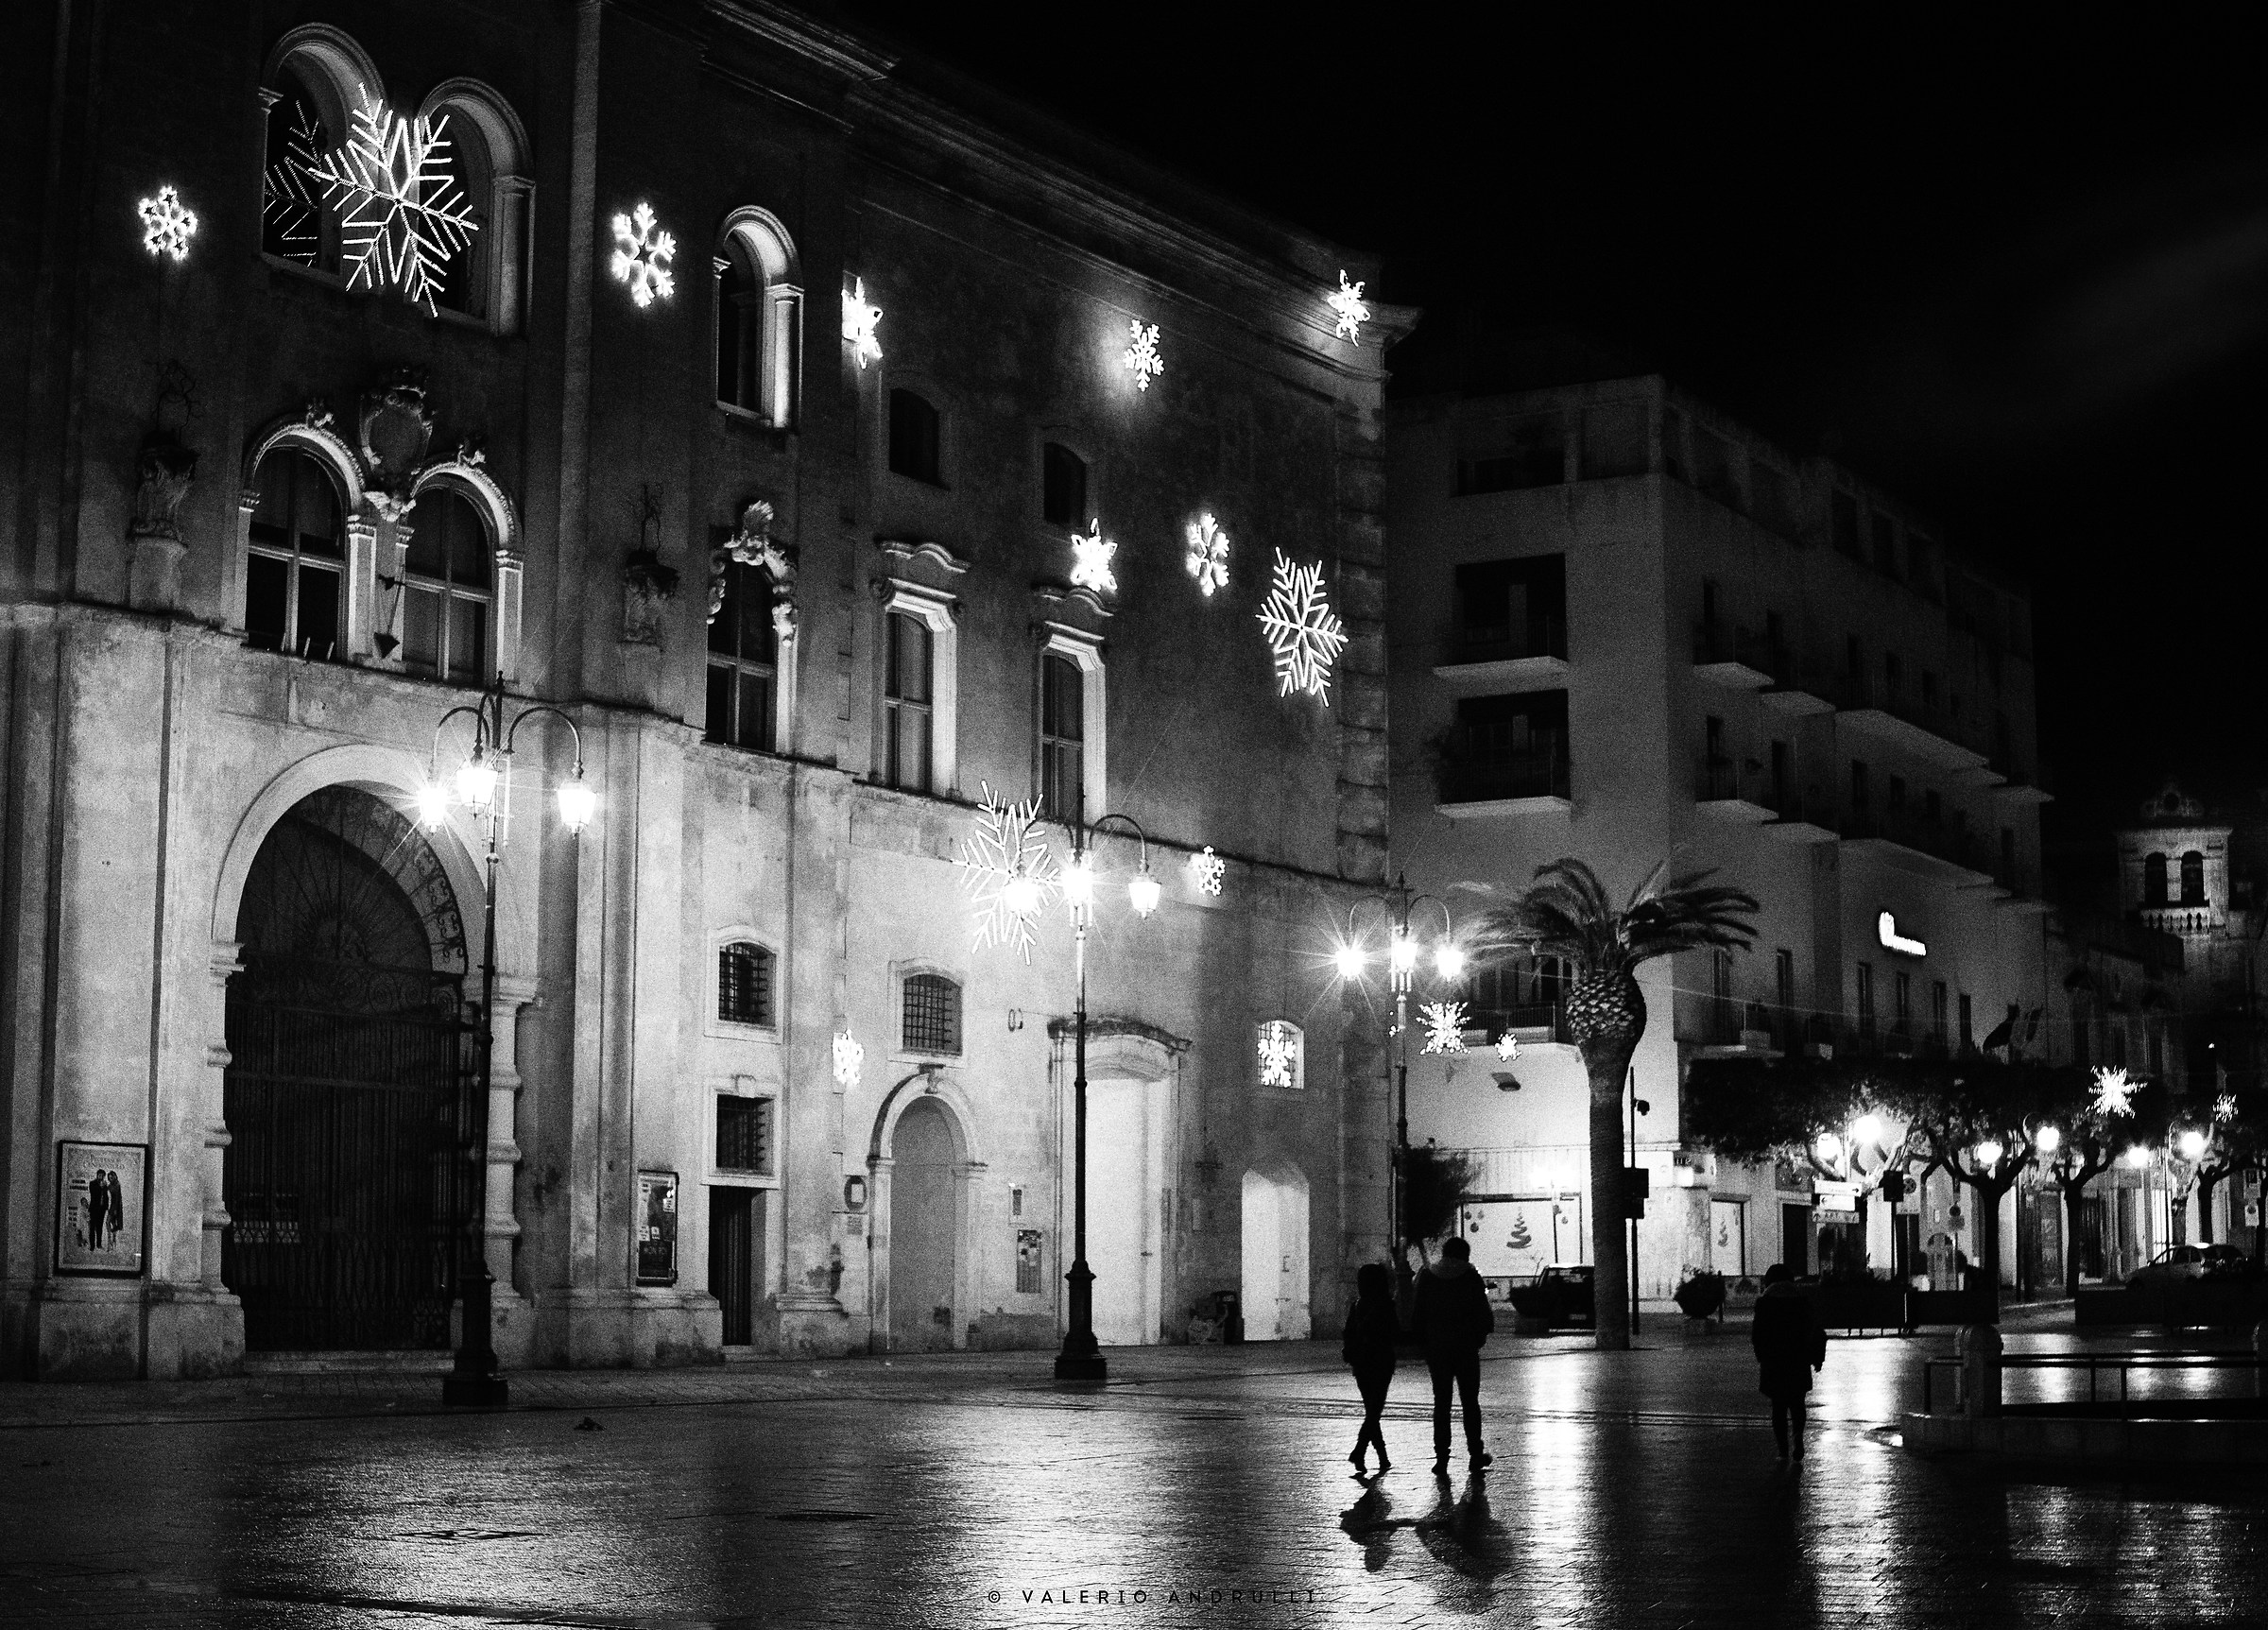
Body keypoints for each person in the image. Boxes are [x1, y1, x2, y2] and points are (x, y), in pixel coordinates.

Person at [1410, 1234, 1494, 1476]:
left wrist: (1423, 1342)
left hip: (1437, 1349)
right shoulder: (1471, 1276)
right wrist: (1480, 1335)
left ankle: (1441, 1457)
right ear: (1465, 1254)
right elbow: (1483, 1312)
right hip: (1466, 1348)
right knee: (1470, 1403)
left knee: (1442, 1403)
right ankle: (1475, 1454)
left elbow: (1418, 1313)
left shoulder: (1428, 1275)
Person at [1751, 1261, 1828, 1460]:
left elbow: (1758, 1334)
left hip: (1774, 1360)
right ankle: (1798, 1437)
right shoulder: (1802, 1301)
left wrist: (1761, 1355)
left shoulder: (1764, 1303)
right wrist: (1817, 1359)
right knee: (1797, 1403)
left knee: (1778, 1406)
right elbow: (1816, 1331)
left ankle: (1783, 1450)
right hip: (1798, 1359)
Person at [1342, 1261, 1400, 1474]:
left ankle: (1380, 1457)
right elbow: (1394, 1332)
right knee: (1374, 1411)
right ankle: (1361, 1450)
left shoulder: (1357, 1305)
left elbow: (1348, 1332)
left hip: (1361, 1361)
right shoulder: (1386, 1304)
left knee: (1371, 1410)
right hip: (1381, 1360)